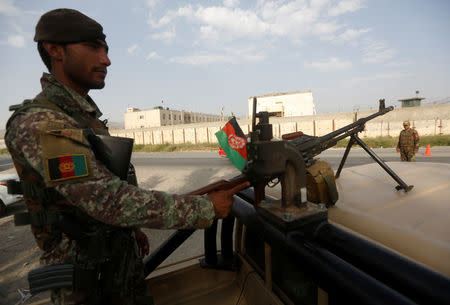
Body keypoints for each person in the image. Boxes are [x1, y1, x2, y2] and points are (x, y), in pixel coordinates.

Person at [5, 8, 249, 305]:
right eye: (93, 47)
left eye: (106, 50)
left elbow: (106, 191)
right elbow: (107, 200)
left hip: (119, 273)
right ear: (54, 50)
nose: (106, 59)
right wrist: (204, 208)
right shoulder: (41, 123)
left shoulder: (83, 119)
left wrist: (130, 231)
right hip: (85, 289)